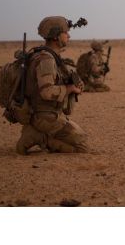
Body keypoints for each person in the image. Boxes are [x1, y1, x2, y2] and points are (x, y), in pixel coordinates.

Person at [15, 16, 89, 155]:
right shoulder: (46, 59)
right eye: (65, 33)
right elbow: (47, 92)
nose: (69, 36)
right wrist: (70, 89)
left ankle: (34, 132)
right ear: (55, 36)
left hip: (49, 114)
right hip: (45, 117)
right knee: (82, 148)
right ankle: (41, 137)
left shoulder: (50, 56)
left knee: (82, 138)